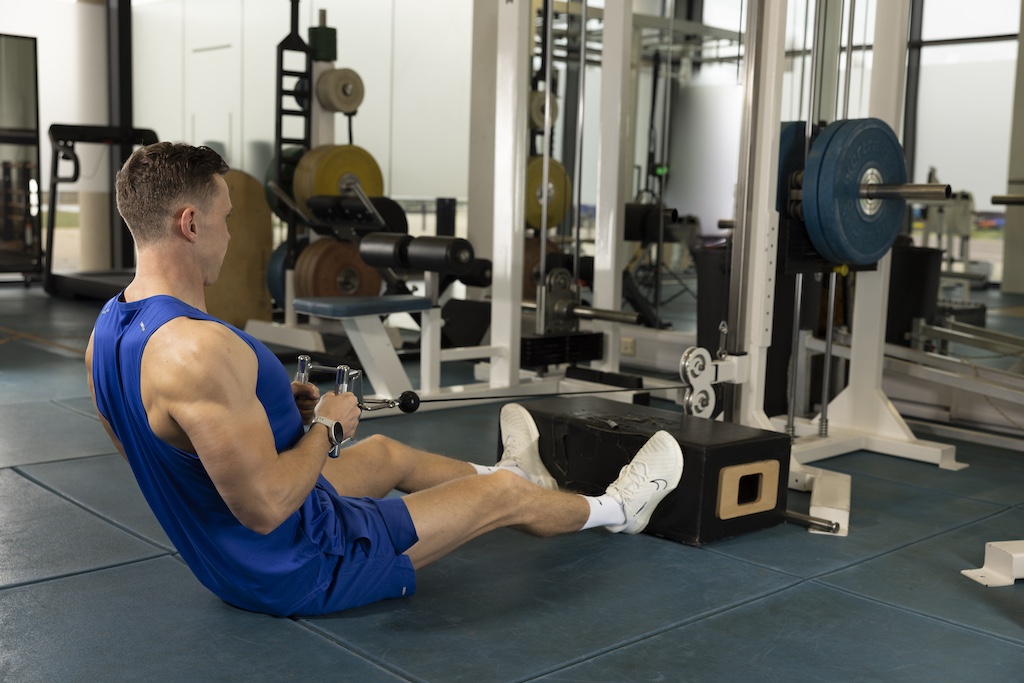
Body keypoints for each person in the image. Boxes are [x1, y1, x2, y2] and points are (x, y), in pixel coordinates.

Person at [85, 142, 684, 618]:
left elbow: (157, 450)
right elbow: (265, 507)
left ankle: (524, 476)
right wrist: (324, 427)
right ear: (190, 222)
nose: (232, 234)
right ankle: (618, 508)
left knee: (386, 455)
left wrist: (268, 417)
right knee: (498, 501)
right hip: (300, 562)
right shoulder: (196, 348)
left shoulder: (107, 333)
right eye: (225, 219)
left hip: (226, 564)